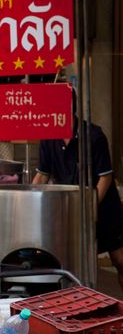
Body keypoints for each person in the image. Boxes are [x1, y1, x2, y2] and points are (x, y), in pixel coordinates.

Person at [33, 117, 123, 290]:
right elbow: (42, 175)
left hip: (104, 207)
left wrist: (90, 207)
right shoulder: (48, 136)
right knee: (78, 263)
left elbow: (105, 177)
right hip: (70, 209)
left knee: (119, 260)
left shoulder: (94, 136)